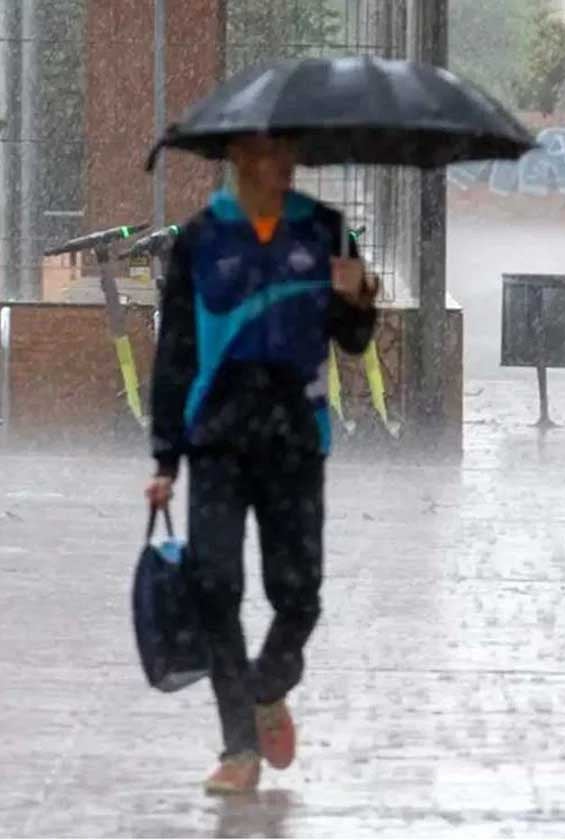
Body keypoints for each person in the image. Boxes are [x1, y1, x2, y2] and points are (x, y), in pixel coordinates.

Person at [144, 132, 378, 795]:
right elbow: (177, 354)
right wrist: (165, 457)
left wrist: (361, 301)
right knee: (216, 589)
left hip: (297, 442)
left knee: (298, 594)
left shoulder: (326, 231)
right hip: (216, 442)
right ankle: (238, 749)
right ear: (239, 159)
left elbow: (355, 340)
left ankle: (267, 688)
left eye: (290, 152)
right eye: (269, 152)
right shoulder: (200, 240)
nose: (285, 164)